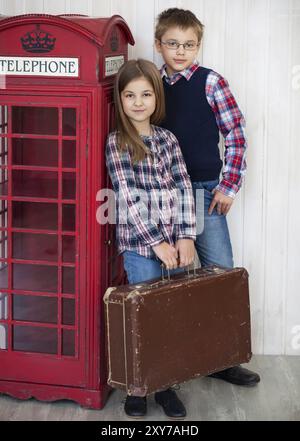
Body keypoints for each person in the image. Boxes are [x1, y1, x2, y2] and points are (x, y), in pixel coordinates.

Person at [155, 8, 260, 387]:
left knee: (219, 273)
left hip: (205, 192)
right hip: (164, 196)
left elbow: (236, 133)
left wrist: (229, 185)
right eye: (172, 44)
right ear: (159, 44)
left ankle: (223, 360)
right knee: (173, 277)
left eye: (189, 45)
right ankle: (175, 361)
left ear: (198, 45)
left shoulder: (211, 82)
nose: (180, 51)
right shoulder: (153, 84)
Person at [105, 59, 196, 418]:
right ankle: (137, 387)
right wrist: (157, 242)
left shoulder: (168, 140)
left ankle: (165, 385)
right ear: (120, 99)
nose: (139, 102)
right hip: (142, 246)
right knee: (141, 315)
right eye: (130, 95)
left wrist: (186, 236)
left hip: (176, 243)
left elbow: (184, 185)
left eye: (145, 94)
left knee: (168, 314)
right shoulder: (117, 143)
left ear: (156, 97)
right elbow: (126, 197)